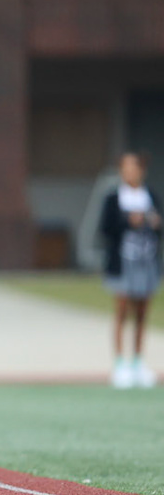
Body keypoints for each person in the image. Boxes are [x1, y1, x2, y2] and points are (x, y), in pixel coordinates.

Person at [99, 151, 161, 390]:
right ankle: (119, 363)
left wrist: (155, 224)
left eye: (133, 168)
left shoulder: (150, 196)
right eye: (125, 168)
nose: (129, 172)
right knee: (122, 311)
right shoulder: (113, 198)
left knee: (142, 313)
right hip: (123, 261)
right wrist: (128, 223)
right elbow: (105, 228)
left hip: (146, 260)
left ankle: (137, 362)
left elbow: (158, 227)